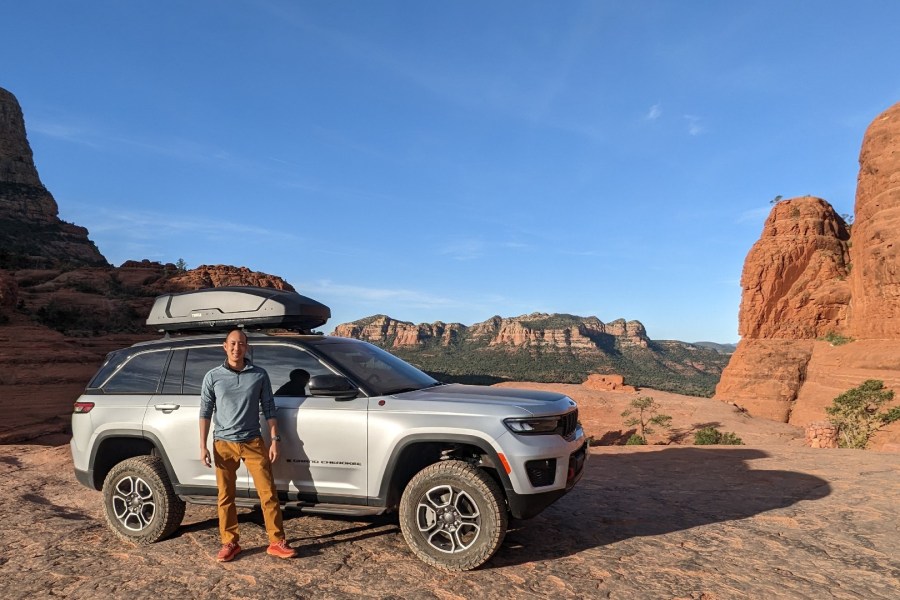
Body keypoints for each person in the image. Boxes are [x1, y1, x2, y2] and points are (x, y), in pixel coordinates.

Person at [199, 328, 297, 562]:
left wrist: (274, 439)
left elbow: (269, 408)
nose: (236, 348)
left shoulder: (259, 375)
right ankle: (230, 543)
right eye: (232, 343)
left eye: (241, 344)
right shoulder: (212, 376)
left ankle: (276, 541)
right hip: (223, 443)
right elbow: (205, 412)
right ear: (225, 346)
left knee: (268, 493)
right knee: (225, 496)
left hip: (253, 442)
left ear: (247, 347)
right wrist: (202, 445)